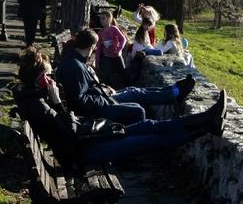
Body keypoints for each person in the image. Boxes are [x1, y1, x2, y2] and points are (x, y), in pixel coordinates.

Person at [16, 47, 226, 166]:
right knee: (151, 139)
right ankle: (207, 126)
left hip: (91, 137)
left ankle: (207, 118)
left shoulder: (36, 96)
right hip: (83, 150)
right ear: (39, 79)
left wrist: (55, 100)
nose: (53, 78)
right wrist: (56, 101)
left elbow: (69, 124)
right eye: (49, 75)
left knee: (150, 125)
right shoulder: (36, 103)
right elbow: (69, 129)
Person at [55, 28, 197, 126]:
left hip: (102, 97)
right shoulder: (74, 65)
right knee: (136, 96)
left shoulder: (76, 60)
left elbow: (87, 89)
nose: (96, 49)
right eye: (95, 46)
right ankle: (175, 93)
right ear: (90, 46)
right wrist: (105, 97)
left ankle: (174, 90)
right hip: (100, 105)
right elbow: (81, 98)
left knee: (135, 91)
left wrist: (104, 88)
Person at [96, 9, 128, 87]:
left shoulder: (114, 29)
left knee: (123, 72)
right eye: (100, 18)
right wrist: (97, 62)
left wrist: (119, 49)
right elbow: (99, 48)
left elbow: (123, 39)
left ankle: (127, 87)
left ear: (109, 19)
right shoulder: (100, 32)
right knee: (108, 74)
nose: (101, 20)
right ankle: (110, 90)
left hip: (117, 56)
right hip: (107, 57)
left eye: (103, 18)